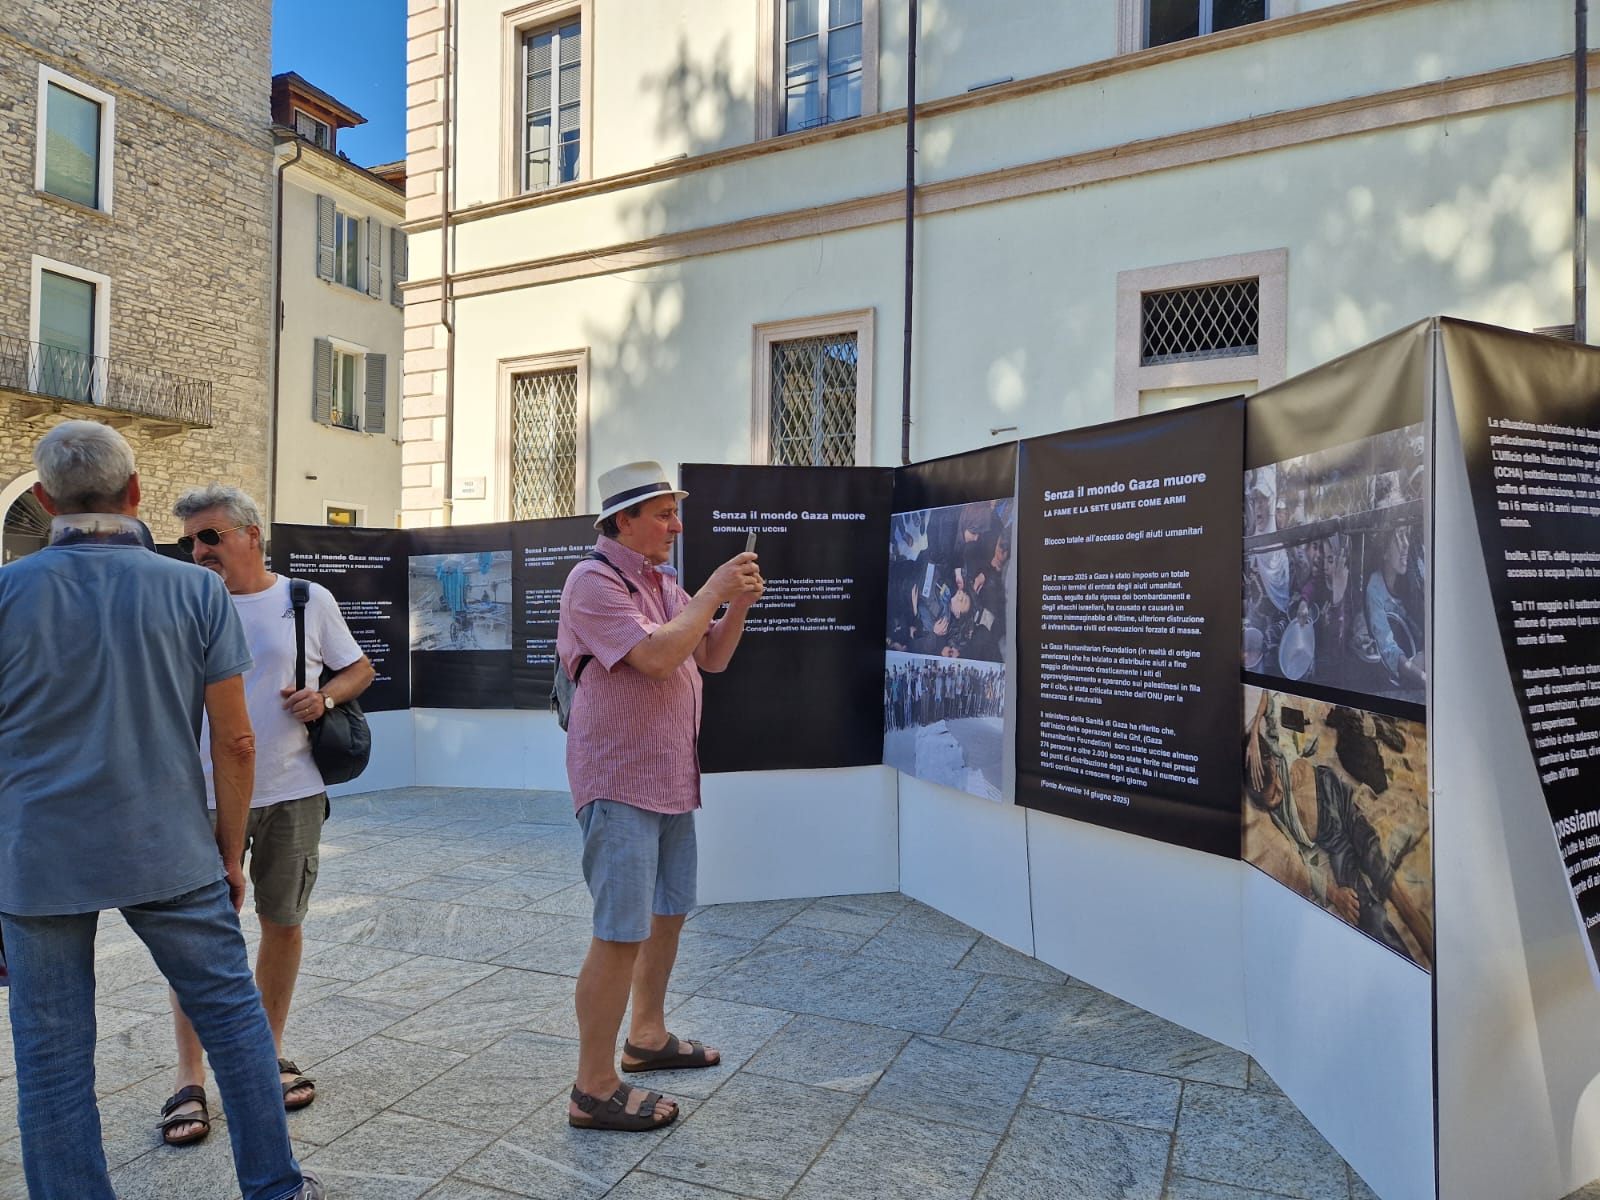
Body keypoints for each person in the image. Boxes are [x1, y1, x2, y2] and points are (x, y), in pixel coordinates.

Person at [0, 422, 323, 1200]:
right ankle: (275, 1189)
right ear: (137, 492)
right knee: (235, 1024)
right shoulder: (195, 589)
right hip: (169, 845)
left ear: (45, 500)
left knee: (50, 1057)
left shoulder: (8, 593)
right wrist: (228, 852)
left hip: (37, 856)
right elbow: (236, 742)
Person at [159, 485, 374, 1145]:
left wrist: (323, 698)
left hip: (291, 790)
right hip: (200, 795)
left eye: (210, 536)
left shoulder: (305, 599)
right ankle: (189, 1077)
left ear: (251, 535)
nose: (199, 550)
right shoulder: (183, 601)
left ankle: (265, 1054)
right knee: (199, 939)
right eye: (190, 541)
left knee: (282, 923)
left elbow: (358, 669)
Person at [556, 461, 763, 1131]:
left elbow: (710, 657)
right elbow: (653, 658)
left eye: (677, 513)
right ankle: (592, 1088)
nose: (676, 526)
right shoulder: (593, 581)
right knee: (620, 932)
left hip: (670, 777)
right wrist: (713, 590)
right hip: (619, 781)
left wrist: (736, 605)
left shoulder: (664, 582)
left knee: (667, 913)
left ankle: (646, 1037)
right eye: (664, 514)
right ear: (624, 520)